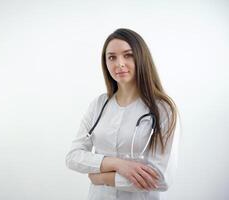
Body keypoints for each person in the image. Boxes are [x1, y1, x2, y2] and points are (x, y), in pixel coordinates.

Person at [65, 28, 180, 200]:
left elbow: (160, 179)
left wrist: (101, 177)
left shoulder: (163, 109)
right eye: (112, 57)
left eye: (128, 55)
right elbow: (73, 157)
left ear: (141, 58)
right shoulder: (99, 104)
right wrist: (117, 164)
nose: (119, 64)